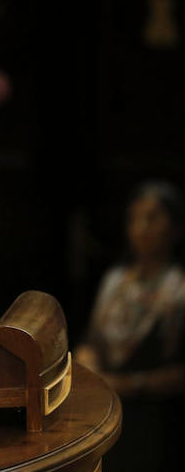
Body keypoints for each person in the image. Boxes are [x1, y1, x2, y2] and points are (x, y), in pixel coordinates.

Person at [74, 180, 185, 471]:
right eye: (134, 218)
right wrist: (87, 360)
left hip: (157, 420)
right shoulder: (114, 280)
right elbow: (91, 339)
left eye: (152, 218)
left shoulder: (179, 290)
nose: (141, 228)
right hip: (107, 410)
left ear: (175, 228)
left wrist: (129, 385)